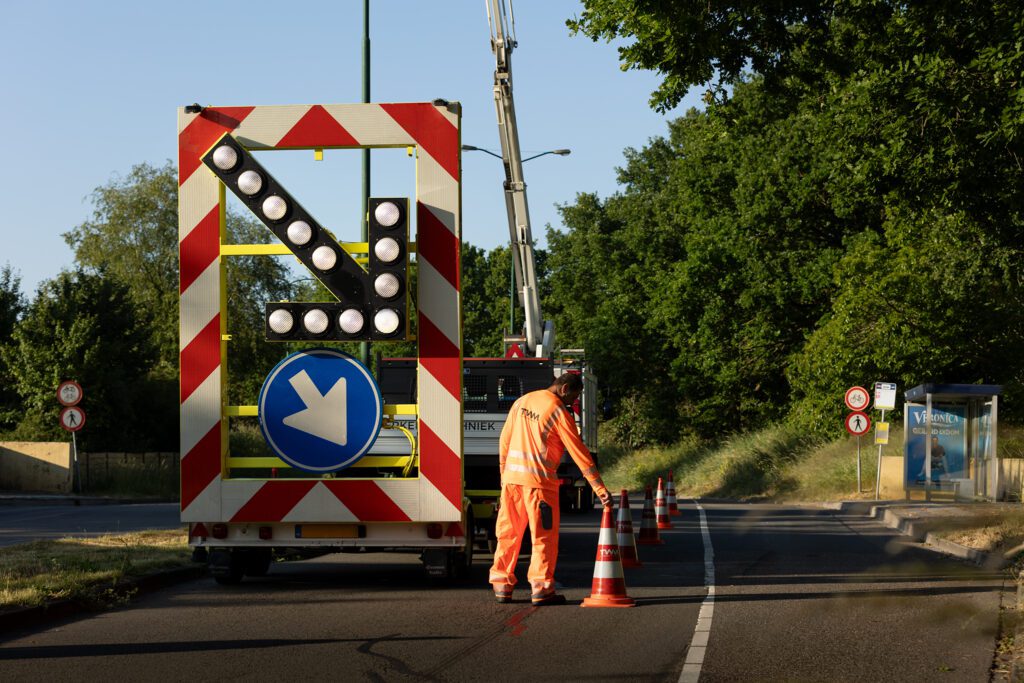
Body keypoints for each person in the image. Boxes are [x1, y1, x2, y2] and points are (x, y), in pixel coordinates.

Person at [488, 372, 612, 606]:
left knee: (508, 534)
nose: (571, 403)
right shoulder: (557, 411)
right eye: (573, 397)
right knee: (543, 538)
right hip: (539, 485)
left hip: (512, 482)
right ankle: (541, 589)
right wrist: (599, 488)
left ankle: (501, 585)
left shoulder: (522, 401)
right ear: (564, 389)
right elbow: (579, 452)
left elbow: (504, 439)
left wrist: (504, 475)